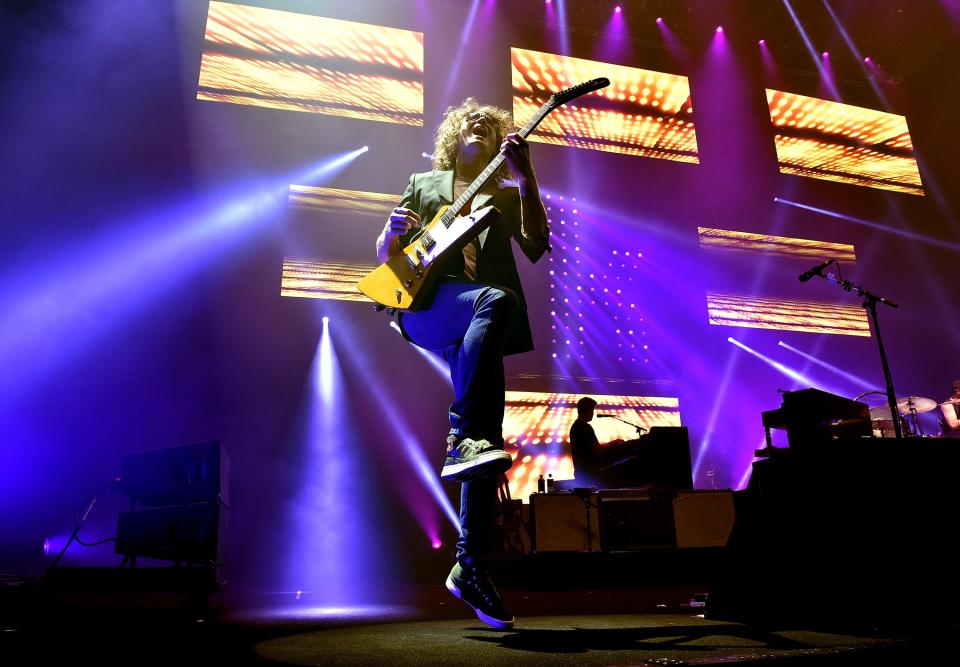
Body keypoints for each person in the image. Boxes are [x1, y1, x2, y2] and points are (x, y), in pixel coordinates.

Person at [376, 98, 549, 629]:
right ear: (454, 135)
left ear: (500, 144)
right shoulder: (424, 183)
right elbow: (388, 257)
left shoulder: (503, 194)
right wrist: (388, 236)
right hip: (426, 307)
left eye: (489, 125)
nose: (479, 125)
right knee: (496, 299)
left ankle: (470, 563)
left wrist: (527, 182)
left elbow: (538, 247)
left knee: (484, 443)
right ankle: (463, 434)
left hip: (476, 327)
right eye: (470, 121)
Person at [568, 397, 624, 487]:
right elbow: (599, 450)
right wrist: (615, 443)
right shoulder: (585, 427)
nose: (593, 414)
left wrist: (611, 443)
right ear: (588, 410)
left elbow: (593, 447)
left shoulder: (575, 426)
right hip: (590, 474)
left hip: (581, 474)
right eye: (592, 410)